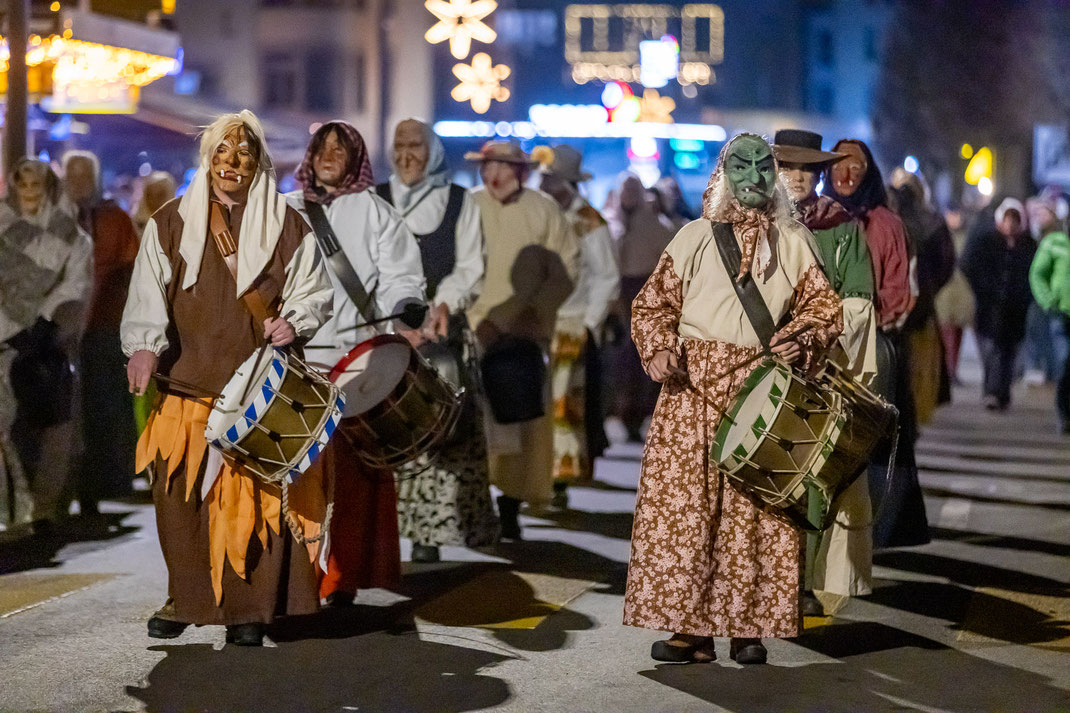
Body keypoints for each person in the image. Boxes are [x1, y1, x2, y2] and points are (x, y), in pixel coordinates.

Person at [624, 133, 843, 666]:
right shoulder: (693, 237)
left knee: (756, 515)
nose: (753, 178)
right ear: (723, 175)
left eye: (762, 167)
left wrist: (804, 337)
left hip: (763, 393)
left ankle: (749, 628)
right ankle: (691, 632)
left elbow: (824, 311)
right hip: (690, 394)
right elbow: (652, 306)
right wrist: (657, 350)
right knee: (688, 512)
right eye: (740, 167)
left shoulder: (794, 242)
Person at [122, 111, 334, 646]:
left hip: (257, 395)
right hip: (186, 389)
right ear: (207, 159)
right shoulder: (170, 221)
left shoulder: (288, 224)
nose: (230, 163)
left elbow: (315, 291)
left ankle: (248, 612)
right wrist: (143, 347)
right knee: (181, 506)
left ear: (258, 161)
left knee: (252, 511)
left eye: (242, 154)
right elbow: (147, 292)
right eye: (221, 152)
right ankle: (188, 597)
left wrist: (296, 320)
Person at [288, 120, 426, 601]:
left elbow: (400, 276)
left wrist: (408, 304)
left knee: (349, 480)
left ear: (355, 159)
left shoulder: (376, 212)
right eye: (322, 147)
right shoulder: (284, 209)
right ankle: (298, 576)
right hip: (294, 361)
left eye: (340, 149)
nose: (329, 155)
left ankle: (343, 574)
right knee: (298, 479)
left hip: (354, 365)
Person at [374, 118, 498, 563]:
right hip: (388, 334)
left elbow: (469, 267)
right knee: (387, 433)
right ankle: (384, 531)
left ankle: (429, 530)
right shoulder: (376, 199)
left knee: (441, 435)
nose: (407, 154)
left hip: (441, 334)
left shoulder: (459, 201)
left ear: (434, 152)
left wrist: (444, 303)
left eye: (416, 145)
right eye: (400, 145)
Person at [773, 129, 876, 617]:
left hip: (819, 369)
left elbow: (858, 300)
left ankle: (804, 582)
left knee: (813, 477)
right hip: (757, 366)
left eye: (807, 169)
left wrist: (814, 340)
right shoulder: (748, 224)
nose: (798, 178)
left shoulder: (842, 227)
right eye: (789, 167)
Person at [464, 141, 580, 540]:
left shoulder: (543, 209)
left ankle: (511, 504)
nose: (494, 175)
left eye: (504, 167)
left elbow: (566, 268)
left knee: (522, 419)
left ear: (522, 172)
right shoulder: (469, 206)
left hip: (525, 331)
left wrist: (531, 316)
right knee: (474, 422)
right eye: (488, 166)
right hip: (472, 329)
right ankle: (473, 507)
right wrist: (468, 318)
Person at [823, 138, 928, 549]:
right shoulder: (815, 220)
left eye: (857, 166)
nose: (846, 175)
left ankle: (876, 530)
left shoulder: (888, 225)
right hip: (821, 350)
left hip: (873, 346)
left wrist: (865, 323)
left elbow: (903, 290)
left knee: (874, 441)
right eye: (838, 166)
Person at [0, 159, 92, 532]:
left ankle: (41, 509)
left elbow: (76, 286)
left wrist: (45, 321)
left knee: (50, 429)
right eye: (23, 186)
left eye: (36, 185)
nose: (29, 193)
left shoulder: (72, 237)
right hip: (4, 338)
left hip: (46, 343)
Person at [536, 145, 620, 509]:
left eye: (550, 177)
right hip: (535, 323)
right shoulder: (537, 213)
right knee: (535, 405)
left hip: (570, 323)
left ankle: (558, 479)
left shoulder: (588, 221)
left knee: (562, 407)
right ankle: (533, 475)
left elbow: (607, 277)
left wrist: (588, 323)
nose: (544, 182)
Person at [63, 150, 140, 515]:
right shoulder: (60, 217)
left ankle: (99, 485)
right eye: (71, 173)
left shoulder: (114, 218)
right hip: (62, 331)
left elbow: (129, 268)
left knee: (102, 411)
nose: (77, 181)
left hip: (104, 330)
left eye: (84, 173)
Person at [605, 174, 676, 442]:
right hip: (616, 295)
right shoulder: (610, 223)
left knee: (642, 357)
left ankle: (641, 413)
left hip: (644, 292)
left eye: (633, 190)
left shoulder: (656, 225)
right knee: (621, 360)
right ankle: (621, 411)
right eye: (625, 190)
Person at [889, 171, 955, 424]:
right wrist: (930, 287)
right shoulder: (933, 221)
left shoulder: (888, 217)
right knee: (919, 374)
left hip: (895, 307)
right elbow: (946, 264)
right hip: (922, 308)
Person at [962, 198, 1037, 411]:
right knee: (992, 350)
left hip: (1016, 310)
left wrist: (1026, 295)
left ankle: (1002, 392)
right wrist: (983, 288)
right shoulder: (987, 242)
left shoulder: (1028, 245)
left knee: (1009, 351)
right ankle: (992, 391)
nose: (1011, 224)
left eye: (1015, 220)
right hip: (990, 308)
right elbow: (969, 265)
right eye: (1008, 219)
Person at [131, 171, 178, 435]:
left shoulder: (180, 227)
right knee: (142, 388)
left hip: (173, 320)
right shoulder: (135, 227)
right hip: (142, 318)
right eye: (154, 192)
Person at [1029, 194, 1070, 433]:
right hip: (1061, 312)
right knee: (1065, 362)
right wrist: (1048, 300)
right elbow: (1038, 274)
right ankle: (1064, 414)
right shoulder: (1054, 242)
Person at [933, 206, 975, 384]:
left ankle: (953, 370)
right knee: (945, 333)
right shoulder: (941, 236)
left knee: (957, 333)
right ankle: (947, 371)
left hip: (962, 291)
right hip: (945, 293)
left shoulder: (967, 236)